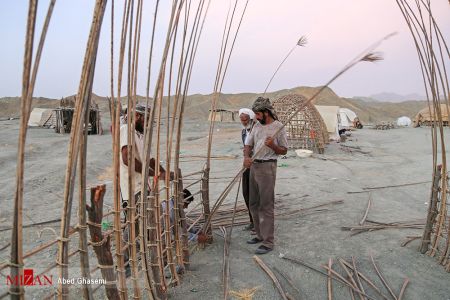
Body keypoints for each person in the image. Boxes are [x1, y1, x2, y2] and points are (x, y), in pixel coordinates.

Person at [243, 97, 288, 255]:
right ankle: (259, 234)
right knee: (253, 203)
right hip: (254, 166)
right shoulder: (256, 126)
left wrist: (273, 146)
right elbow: (248, 144)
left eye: (258, 114)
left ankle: (268, 242)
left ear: (266, 112)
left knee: (266, 205)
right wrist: (247, 157)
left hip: (268, 167)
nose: (255, 117)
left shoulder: (278, 127)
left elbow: (284, 150)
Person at [239, 108, 255, 233]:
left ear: (251, 118)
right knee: (246, 193)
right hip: (247, 165)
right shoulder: (244, 132)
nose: (244, 122)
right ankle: (252, 221)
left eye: (246, 119)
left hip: (257, 165)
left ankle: (258, 223)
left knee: (256, 195)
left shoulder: (257, 130)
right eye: (242, 120)